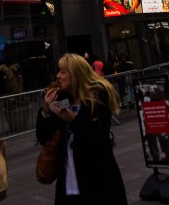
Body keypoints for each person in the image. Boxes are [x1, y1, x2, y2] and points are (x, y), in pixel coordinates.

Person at [36, 53, 127, 204]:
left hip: (98, 184)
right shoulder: (62, 99)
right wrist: (45, 111)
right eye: (58, 71)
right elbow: (43, 137)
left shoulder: (97, 98)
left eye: (63, 72)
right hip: (68, 186)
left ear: (76, 75)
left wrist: (71, 118)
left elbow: (98, 139)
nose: (58, 76)